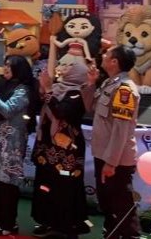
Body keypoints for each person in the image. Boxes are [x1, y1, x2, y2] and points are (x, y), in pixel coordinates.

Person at [31, 54, 93, 239]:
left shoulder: (79, 93)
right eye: (63, 65)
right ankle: (47, 221)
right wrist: (42, 88)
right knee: (45, 184)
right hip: (47, 148)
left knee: (64, 188)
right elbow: (39, 105)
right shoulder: (57, 88)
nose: (64, 68)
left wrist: (48, 89)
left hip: (66, 152)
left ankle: (66, 225)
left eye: (69, 66)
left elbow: (61, 112)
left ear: (77, 72)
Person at [0, 56, 39, 236]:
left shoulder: (23, 90)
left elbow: (7, 110)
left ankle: (8, 224)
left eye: (10, 65)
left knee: (8, 183)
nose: (5, 68)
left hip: (12, 143)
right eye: (5, 65)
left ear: (19, 69)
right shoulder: (4, 85)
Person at [89, 46, 140, 239]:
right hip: (102, 153)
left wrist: (111, 162)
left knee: (121, 204)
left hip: (115, 159)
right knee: (107, 202)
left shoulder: (124, 89)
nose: (102, 55)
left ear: (114, 62)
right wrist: (91, 83)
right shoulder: (109, 83)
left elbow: (121, 130)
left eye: (107, 54)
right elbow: (91, 107)